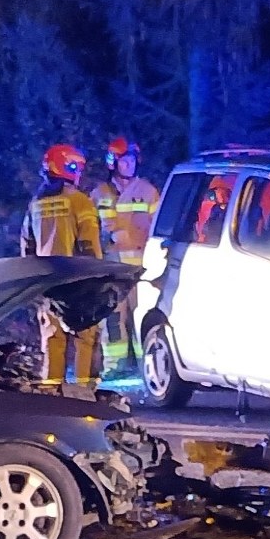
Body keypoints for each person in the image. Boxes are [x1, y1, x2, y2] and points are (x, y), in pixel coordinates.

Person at [20, 144, 104, 387]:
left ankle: (51, 397)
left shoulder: (36, 204)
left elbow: (28, 247)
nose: (79, 172)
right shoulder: (80, 202)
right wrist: (98, 279)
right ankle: (84, 397)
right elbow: (90, 246)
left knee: (53, 341)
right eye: (76, 167)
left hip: (46, 284)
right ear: (67, 167)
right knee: (86, 339)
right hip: (78, 282)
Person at [90, 137, 159, 375]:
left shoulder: (148, 192)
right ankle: (115, 367)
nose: (128, 165)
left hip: (141, 268)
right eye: (123, 161)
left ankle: (146, 367)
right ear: (113, 163)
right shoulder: (99, 194)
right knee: (111, 318)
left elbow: (158, 228)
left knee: (142, 316)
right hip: (109, 266)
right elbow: (88, 229)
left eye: (131, 160)